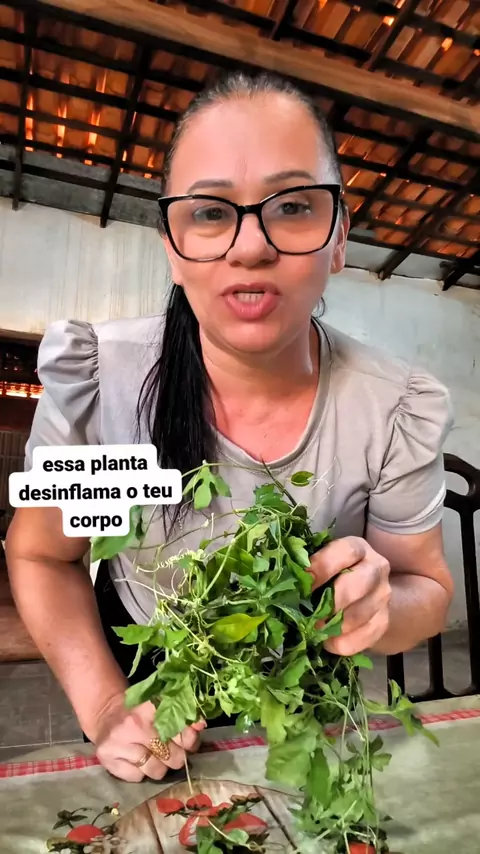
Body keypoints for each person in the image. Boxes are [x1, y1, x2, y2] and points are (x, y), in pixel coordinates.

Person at [5, 70, 454, 784]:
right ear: (172, 244)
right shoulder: (104, 384)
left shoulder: (394, 407)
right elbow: (42, 557)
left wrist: (380, 609)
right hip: (147, 685)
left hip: (303, 693)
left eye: (294, 206)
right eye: (211, 212)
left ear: (339, 237)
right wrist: (107, 706)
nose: (250, 248)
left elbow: (425, 588)